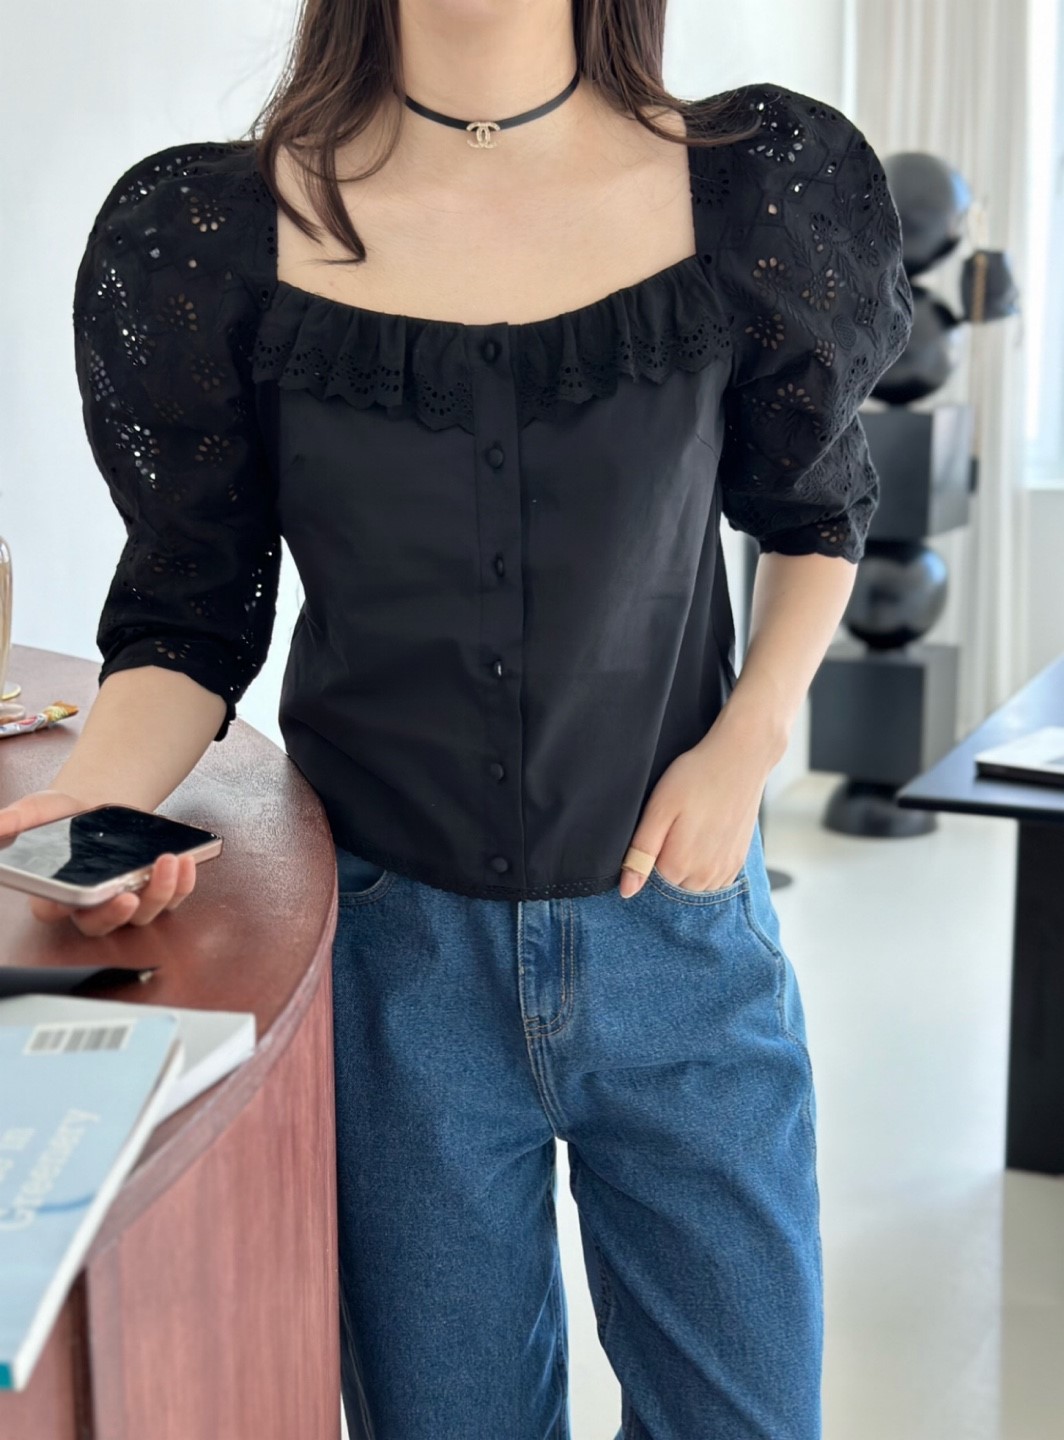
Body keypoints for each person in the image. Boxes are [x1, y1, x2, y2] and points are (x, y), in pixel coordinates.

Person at [2, 1, 913, 1435]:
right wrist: (95, 809)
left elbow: (814, 512)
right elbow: (188, 614)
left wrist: (744, 748)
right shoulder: (212, 236)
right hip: (392, 967)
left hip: (679, 932)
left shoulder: (748, 189)